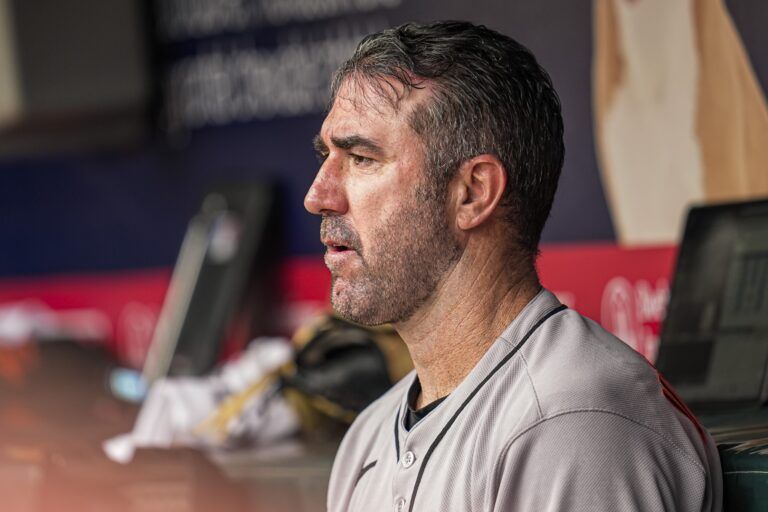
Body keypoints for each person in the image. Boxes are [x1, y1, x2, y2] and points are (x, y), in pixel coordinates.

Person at [304, 20, 722, 512]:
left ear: (473, 192)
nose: (318, 196)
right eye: (326, 156)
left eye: (361, 158)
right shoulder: (369, 438)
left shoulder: (574, 424)